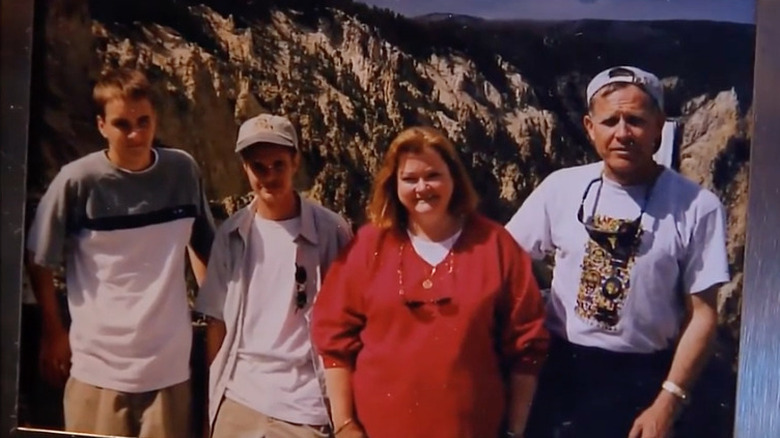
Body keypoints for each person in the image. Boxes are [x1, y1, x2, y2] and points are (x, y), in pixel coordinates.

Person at [506, 66, 730, 438]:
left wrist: (667, 403)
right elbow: (503, 262)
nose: (622, 133)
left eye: (636, 120)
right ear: (590, 128)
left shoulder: (697, 206)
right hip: (560, 373)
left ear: (659, 126)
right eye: (610, 121)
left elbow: (702, 315)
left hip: (641, 382)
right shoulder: (560, 188)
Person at [311, 126, 549, 438]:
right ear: (393, 184)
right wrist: (344, 424)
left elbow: (527, 346)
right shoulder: (369, 246)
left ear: (454, 178)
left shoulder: (495, 245)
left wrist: (515, 432)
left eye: (433, 175)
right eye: (410, 179)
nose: (422, 187)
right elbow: (333, 337)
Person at [25, 67, 216, 438]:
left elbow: (204, 248)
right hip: (99, 372)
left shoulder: (182, 171)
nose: (136, 134)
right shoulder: (77, 181)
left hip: (170, 372)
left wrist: (215, 322)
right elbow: (39, 256)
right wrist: (53, 332)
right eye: (122, 124)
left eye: (144, 121)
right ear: (101, 126)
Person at [195, 113, 353, 438]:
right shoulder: (232, 234)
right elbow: (216, 323)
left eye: (278, 165)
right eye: (258, 167)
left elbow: (348, 326)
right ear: (245, 168)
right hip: (239, 403)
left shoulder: (332, 232)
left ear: (295, 161)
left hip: (304, 409)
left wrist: (345, 417)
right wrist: (211, 407)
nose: (269, 176)